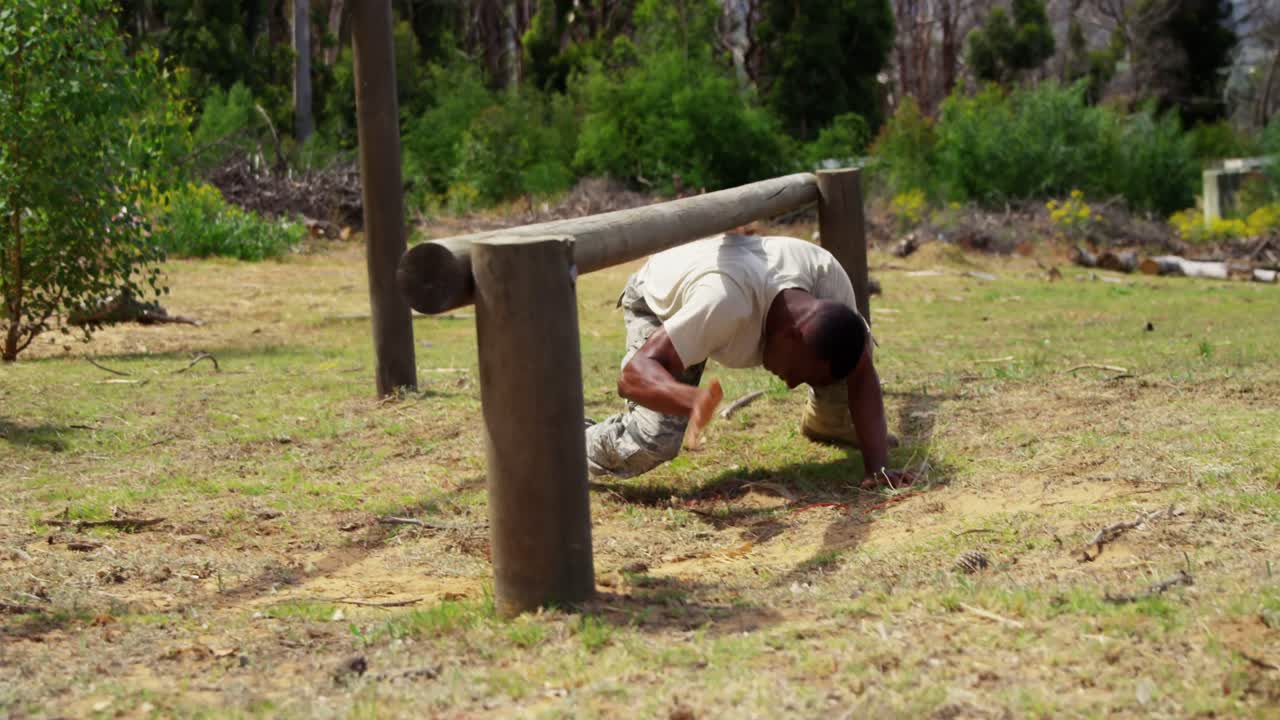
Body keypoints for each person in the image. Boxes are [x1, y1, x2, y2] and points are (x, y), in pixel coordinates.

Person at [585, 231, 912, 489]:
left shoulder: (826, 278)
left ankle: (829, 423)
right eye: (799, 373)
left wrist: (878, 468)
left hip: (715, 284)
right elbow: (632, 377)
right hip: (665, 298)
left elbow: (860, 368)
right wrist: (689, 399)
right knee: (652, 441)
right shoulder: (724, 304)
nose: (792, 383)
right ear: (792, 337)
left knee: (847, 348)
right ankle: (562, 446)